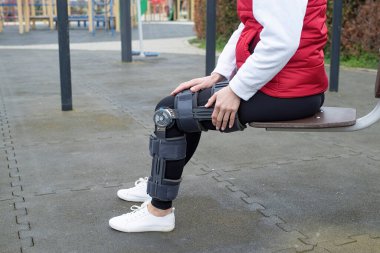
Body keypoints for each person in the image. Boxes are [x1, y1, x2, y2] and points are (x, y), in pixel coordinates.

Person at [109, 0, 328, 233]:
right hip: (290, 85)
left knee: (171, 113)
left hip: (289, 92)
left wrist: (235, 89)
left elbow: (281, 42)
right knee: (184, 100)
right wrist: (219, 74)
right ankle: (158, 182)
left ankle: (159, 211)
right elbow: (249, 27)